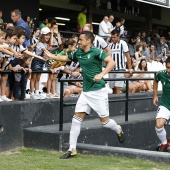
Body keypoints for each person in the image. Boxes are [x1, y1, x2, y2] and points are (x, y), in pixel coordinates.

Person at [44, 31, 125, 159]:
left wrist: (101, 74)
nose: (79, 42)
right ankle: (72, 149)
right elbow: (66, 58)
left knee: (105, 122)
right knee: (76, 120)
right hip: (85, 92)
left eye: (81, 40)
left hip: (98, 91)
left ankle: (118, 129)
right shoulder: (78, 52)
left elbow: (111, 62)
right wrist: (52, 56)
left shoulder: (96, 52)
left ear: (88, 41)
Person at [153, 57, 170, 152]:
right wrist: (155, 95)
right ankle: (164, 143)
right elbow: (156, 80)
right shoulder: (161, 74)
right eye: (167, 67)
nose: (169, 70)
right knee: (158, 125)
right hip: (165, 104)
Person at [108, 29, 132, 94]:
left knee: (117, 87)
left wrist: (129, 68)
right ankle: (114, 103)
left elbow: (128, 56)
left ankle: (118, 103)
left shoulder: (123, 43)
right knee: (113, 88)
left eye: (114, 37)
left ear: (118, 36)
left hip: (120, 69)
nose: (113, 39)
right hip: (111, 69)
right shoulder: (110, 45)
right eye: (112, 37)